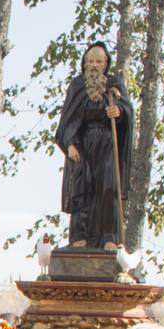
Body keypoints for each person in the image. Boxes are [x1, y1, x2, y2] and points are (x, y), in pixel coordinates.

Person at [55, 42, 131, 249]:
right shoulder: (77, 85)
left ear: (106, 64)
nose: (94, 65)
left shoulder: (115, 84)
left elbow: (126, 109)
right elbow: (67, 121)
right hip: (83, 143)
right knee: (82, 187)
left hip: (108, 143)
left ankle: (109, 237)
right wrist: (69, 143)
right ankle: (80, 236)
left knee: (108, 187)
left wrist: (119, 112)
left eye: (98, 61)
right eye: (90, 61)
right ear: (85, 63)